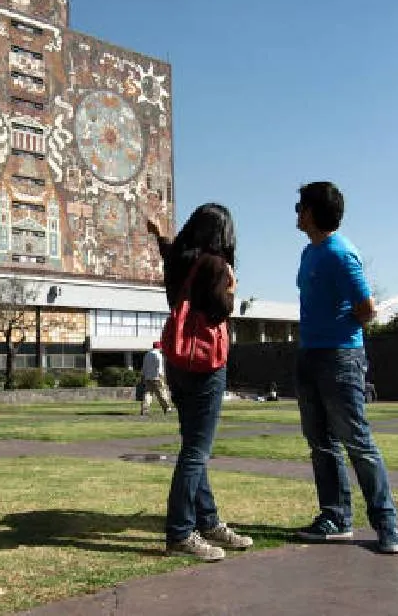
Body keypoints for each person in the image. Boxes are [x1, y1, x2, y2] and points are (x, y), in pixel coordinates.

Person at [293, 181, 398, 554]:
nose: (295, 212)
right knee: (321, 443)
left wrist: (338, 332)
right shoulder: (310, 253)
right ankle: (336, 517)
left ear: (312, 211)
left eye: (299, 206)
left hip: (340, 359)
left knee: (357, 441)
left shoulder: (341, 253)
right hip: (310, 355)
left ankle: (387, 525)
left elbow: (367, 308)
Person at [146, 203, 253, 561]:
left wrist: (160, 233)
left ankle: (208, 521)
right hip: (207, 363)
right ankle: (180, 531)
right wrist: (232, 287)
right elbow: (221, 310)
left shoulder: (178, 259)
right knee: (196, 451)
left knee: (194, 444)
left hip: (178, 361)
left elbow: (168, 247)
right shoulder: (216, 266)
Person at [139, 341, 173, 416]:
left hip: (148, 377)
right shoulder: (159, 355)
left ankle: (145, 409)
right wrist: (162, 376)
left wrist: (143, 376)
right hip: (157, 377)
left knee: (148, 393)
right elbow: (160, 367)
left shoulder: (147, 355)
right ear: (159, 347)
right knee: (162, 393)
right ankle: (167, 408)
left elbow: (144, 367)